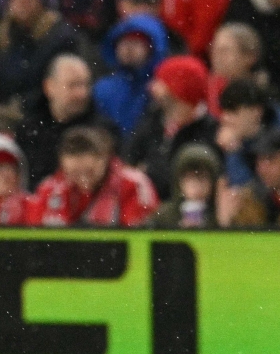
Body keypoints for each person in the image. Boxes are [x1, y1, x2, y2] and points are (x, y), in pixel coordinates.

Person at [0, 0, 79, 132]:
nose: (23, 1)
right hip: (1, 125)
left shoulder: (60, 37)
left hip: (46, 124)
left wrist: (24, 106)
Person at [126, 55, 220, 200]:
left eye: (160, 81)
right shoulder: (151, 120)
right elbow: (129, 162)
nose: (151, 87)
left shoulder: (210, 131)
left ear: (178, 88)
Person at [16, 53, 115, 187]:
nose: (82, 93)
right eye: (73, 85)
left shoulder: (104, 131)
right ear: (49, 87)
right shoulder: (28, 130)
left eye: (85, 84)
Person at [29, 125, 159, 227]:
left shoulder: (133, 184)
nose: (83, 179)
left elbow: (139, 234)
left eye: (89, 172)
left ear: (104, 159)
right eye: (74, 173)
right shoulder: (50, 189)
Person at [93, 13, 170, 135]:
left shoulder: (162, 89)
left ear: (153, 48)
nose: (128, 48)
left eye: (136, 42)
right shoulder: (102, 89)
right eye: (123, 42)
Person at [152, 143, 223, 229]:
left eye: (202, 178)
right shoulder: (165, 215)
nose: (196, 185)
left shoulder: (220, 213)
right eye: (190, 178)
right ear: (179, 182)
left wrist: (223, 224)